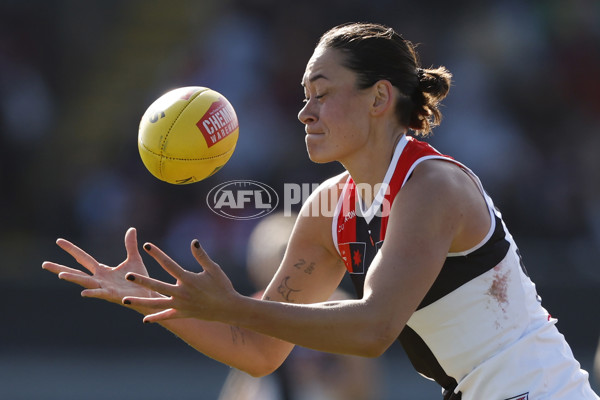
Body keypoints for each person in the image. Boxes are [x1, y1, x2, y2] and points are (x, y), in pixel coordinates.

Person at [43, 22, 599, 400]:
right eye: (305, 95)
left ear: (380, 98)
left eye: (323, 92)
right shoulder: (328, 207)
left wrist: (232, 305)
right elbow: (259, 352)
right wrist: (161, 302)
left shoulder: (434, 186)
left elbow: (373, 328)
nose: (305, 111)